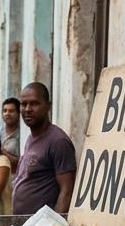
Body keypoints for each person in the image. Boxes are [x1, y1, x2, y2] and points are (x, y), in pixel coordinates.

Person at [13, 82, 77, 214]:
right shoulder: (31, 138)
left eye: (34, 103)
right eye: (23, 104)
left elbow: (67, 191)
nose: (28, 109)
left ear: (48, 106)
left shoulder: (58, 141)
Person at [0, 97, 21, 171]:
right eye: (5, 111)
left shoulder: (22, 135)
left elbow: (22, 162)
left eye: (11, 111)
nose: (7, 114)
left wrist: (1, 151)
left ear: (18, 113)